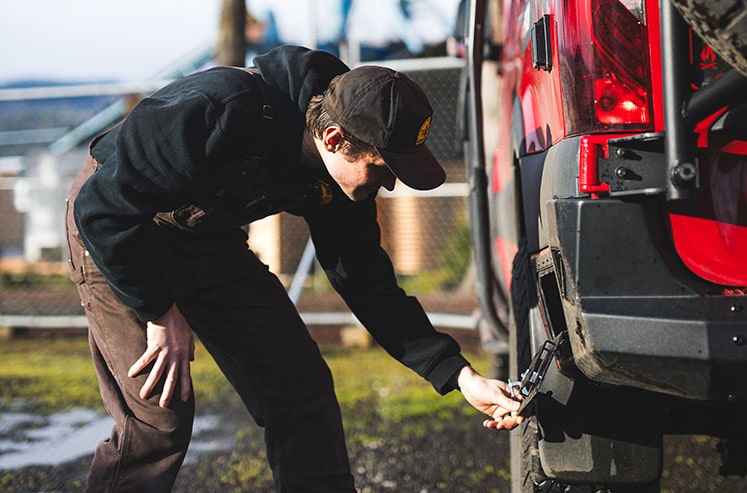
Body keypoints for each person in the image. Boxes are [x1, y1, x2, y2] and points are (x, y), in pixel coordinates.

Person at [65, 44, 522, 492]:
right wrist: (160, 312)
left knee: (299, 384)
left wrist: (461, 376)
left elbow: (368, 285)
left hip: (203, 237)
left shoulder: (344, 181)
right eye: (383, 168)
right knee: (158, 420)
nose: (389, 185)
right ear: (334, 139)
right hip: (117, 229)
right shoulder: (220, 108)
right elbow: (103, 207)